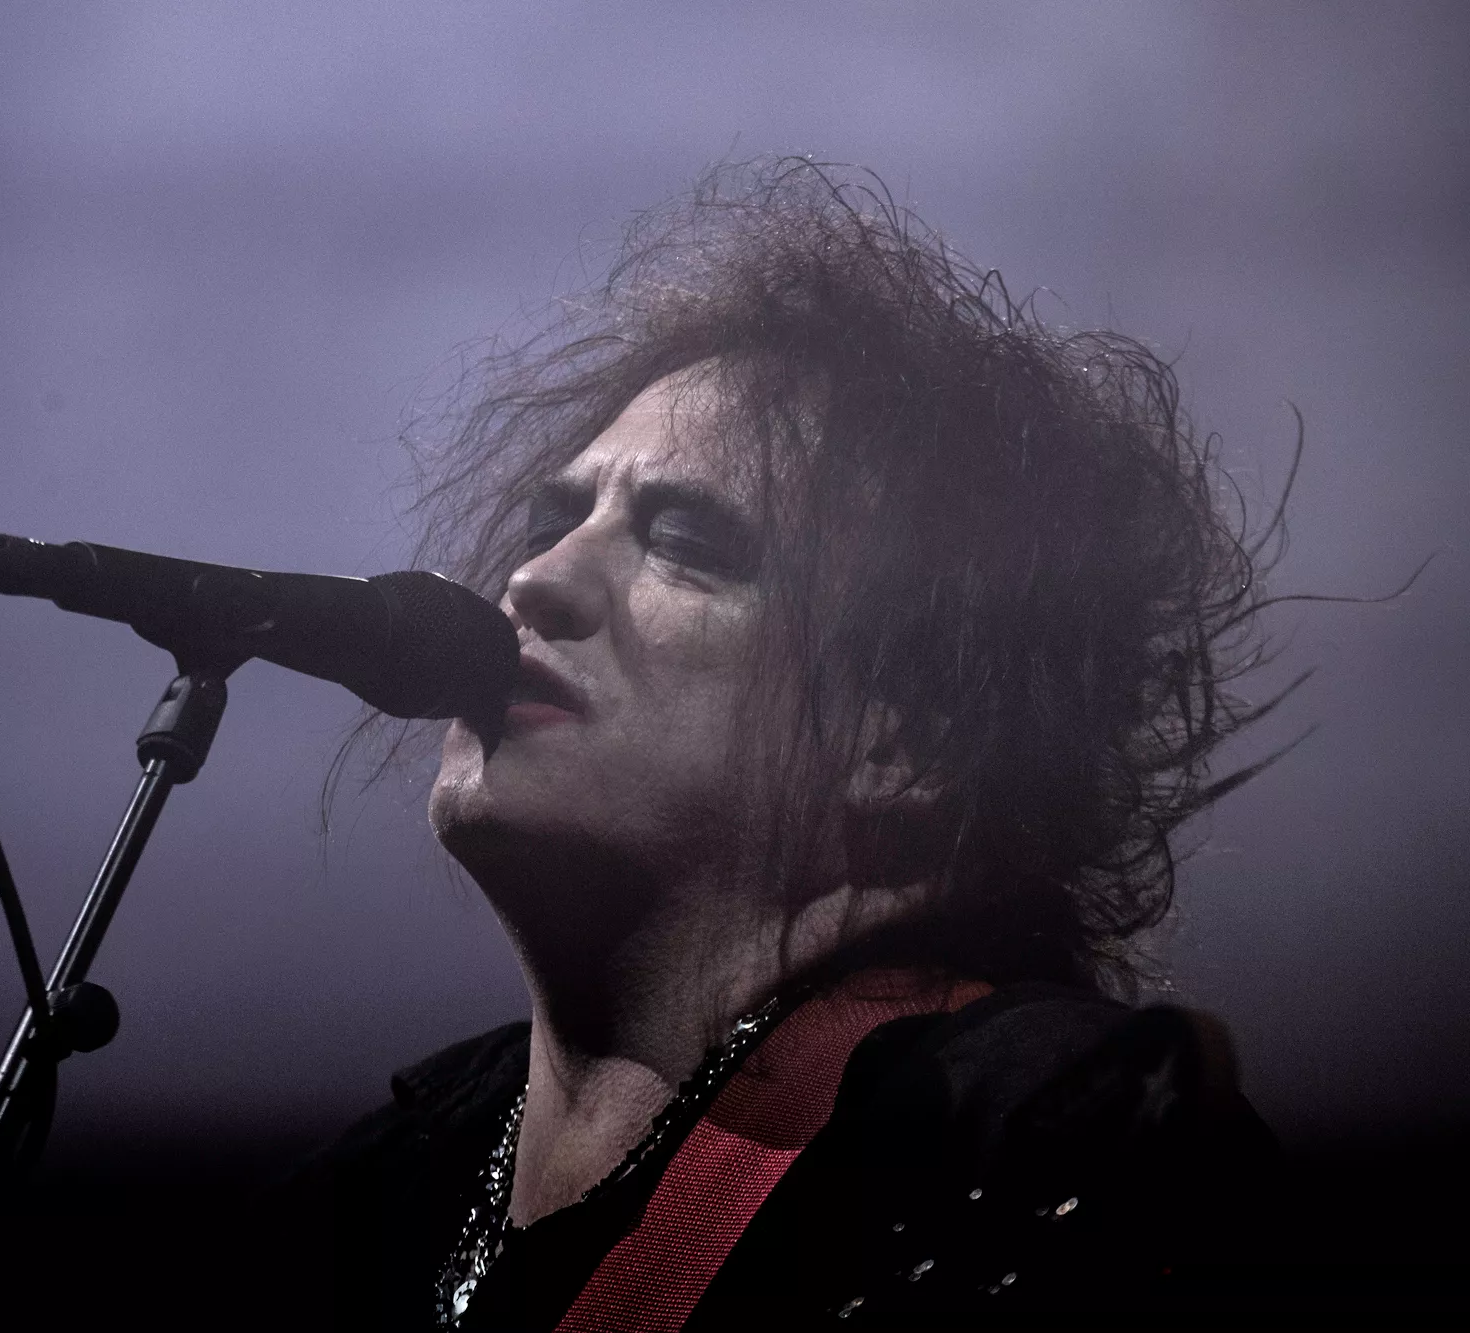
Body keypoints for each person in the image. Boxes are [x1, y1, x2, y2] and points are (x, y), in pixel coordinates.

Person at [282, 159, 1285, 1329]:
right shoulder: (372, 1191)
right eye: (557, 520)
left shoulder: (1027, 1138)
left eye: (685, 543)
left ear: (911, 742)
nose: (533, 581)